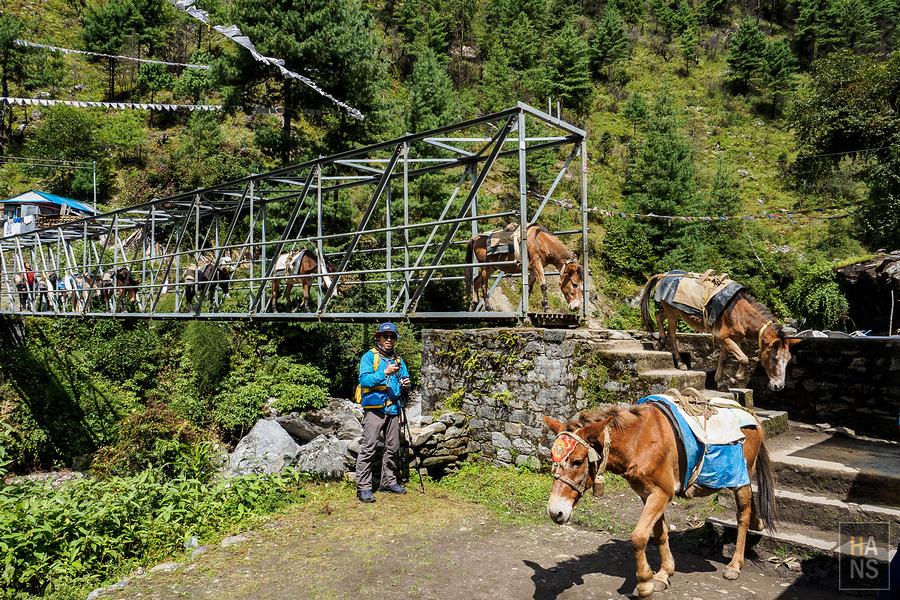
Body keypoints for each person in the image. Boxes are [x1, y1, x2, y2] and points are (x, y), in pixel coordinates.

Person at [355, 322, 411, 503]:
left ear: (395, 339)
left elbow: (404, 380)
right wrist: (384, 373)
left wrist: (406, 385)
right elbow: (364, 380)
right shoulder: (369, 357)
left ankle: (388, 482)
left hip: (393, 409)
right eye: (385, 336)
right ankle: (363, 488)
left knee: (393, 447)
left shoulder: (399, 360)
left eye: (392, 336)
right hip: (374, 410)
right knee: (369, 447)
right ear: (378, 337)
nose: (389, 339)